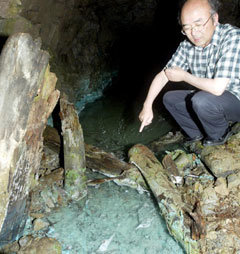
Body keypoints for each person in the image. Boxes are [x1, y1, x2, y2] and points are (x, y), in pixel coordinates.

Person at [138, 0, 240, 146]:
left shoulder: (232, 37)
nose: (194, 33)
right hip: (213, 99)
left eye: (199, 25)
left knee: (201, 101)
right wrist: (147, 106)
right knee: (170, 98)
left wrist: (185, 76)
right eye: (187, 28)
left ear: (215, 19)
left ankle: (219, 136)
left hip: (236, 98)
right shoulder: (186, 46)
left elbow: (217, 88)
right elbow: (163, 75)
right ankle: (195, 134)